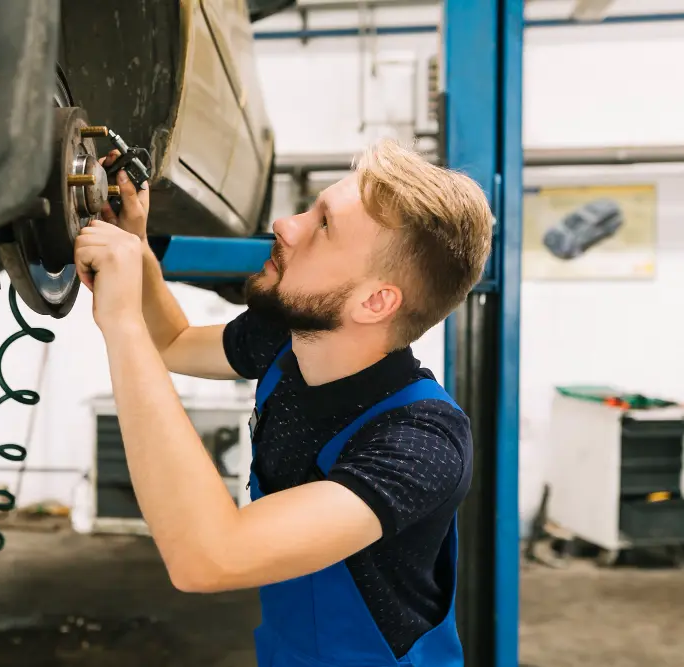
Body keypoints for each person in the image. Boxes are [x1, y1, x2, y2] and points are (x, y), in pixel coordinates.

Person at [73, 138, 494, 667]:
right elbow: (173, 342)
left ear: (375, 301)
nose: (286, 225)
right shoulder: (290, 338)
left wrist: (121, 322)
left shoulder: (420, 445)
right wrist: (136, 249)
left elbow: (210, 558)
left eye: (324, 226)